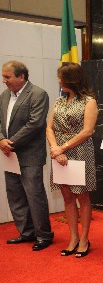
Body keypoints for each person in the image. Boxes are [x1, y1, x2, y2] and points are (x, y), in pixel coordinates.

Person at [0, 61, 55, 251]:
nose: (4, 80)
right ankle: (26, 232)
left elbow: (35, 123)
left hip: (30, 154)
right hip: (9, 154)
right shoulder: (4, 95)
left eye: (7, 77)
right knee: (15, 195)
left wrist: (10, 142)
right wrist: (1, 139)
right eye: (3, 76)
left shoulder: (38, 94)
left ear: (21, 76)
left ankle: (44, 235)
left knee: (34, 195)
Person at [46, 62, 98, 258]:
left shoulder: (89, 101)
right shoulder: (59, 101)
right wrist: (55, 149)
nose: (59, 80)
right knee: (67, 197)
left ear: (72, 79)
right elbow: (49, 128)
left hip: (80, 152)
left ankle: (84, 239)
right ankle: (73, 238)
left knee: (82, 197)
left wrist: (63, 147)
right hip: (59, 154)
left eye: (61, 77)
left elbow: (87, 131)